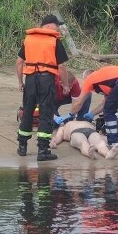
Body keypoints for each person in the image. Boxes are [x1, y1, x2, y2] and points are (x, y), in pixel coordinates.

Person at [16, 14, 70, 161]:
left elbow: (19, 62)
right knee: (46, 113)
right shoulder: (54, 40)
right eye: (57, 25)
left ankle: (22, 147)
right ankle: (43, 150)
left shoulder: (28, 39)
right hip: (47, 80)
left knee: (27, 111)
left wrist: (21, 82)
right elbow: (62, 66)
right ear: (49, 25)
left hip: (31, 79)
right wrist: (65, 85)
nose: (58, 27)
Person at [50, 120, 118, 159]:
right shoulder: (63, 127)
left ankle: (108, 154)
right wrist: (53, 142)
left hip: (87, 131)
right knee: (87, 143)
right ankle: (91, 153)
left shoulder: (66, 125)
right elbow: (57, 138)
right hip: (79, 131)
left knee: (99, 143)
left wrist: (54, 141)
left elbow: (57, 137)